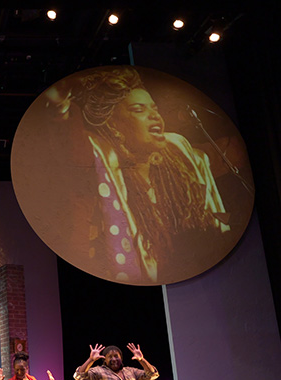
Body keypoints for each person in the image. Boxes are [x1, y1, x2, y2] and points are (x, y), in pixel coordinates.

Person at [41, 66, 231, 284]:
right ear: (113, 123)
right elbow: (69, 139)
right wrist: (60, 105)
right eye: (139, 110)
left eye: (155, 108)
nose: (155, 116)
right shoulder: (102, 163)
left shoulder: (179, 160)